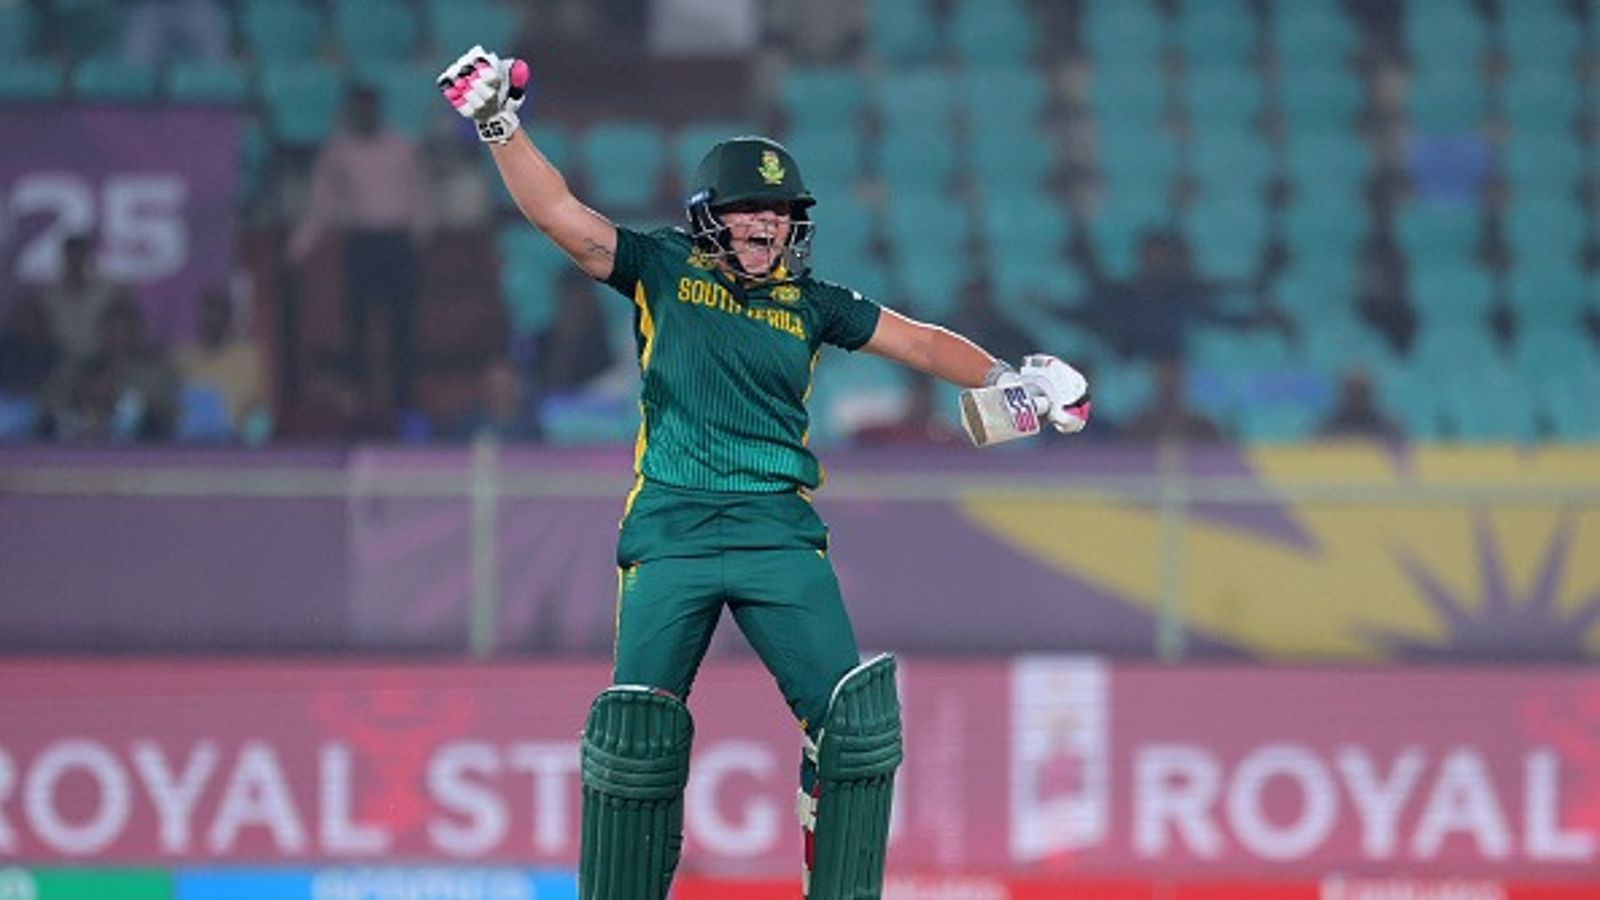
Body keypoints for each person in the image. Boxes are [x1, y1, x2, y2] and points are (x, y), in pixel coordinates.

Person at [440, 46, 1092, 900]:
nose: (764, 226)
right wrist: (499, 123)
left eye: (779, 213)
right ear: (710, 214)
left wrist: (1014, 379)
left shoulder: (814, 301)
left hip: (776, 532)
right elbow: (558, 214)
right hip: (670, 529)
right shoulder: (661, 269)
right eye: (748, 210)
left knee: (853, 728)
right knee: (636, 736)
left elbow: (923, 341)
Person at [291, 83, 433, 415]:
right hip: (361, 243)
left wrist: (418, 241)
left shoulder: (402, 148)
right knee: (357, 325)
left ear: (378, 110)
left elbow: (422, 197)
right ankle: (360, 401)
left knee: (402, 326)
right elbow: (320, 204)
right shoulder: (338, 151)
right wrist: (298, 248)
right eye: (359, 109)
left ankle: (403, 400)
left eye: (369, 108)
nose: (364, 115)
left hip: (396, 243)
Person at [174, 287, 269, 440]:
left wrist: (253, 438)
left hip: (234, 446)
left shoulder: (246, 355)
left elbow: (259, 406)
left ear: (228, 320)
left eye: (218, 318)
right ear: (199, 320)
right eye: (208, 318)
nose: (213, 324)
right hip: (187, 445)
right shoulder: (182, 357)